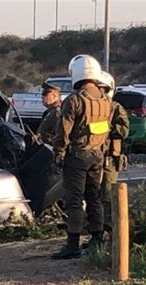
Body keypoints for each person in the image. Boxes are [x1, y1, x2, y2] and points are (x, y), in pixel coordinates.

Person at [52, 54, 112, 259]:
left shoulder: (74, 100)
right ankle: (97, 239)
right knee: (94, 197)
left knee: (74, 200)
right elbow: (105, 129)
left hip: (77, 156)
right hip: (97, 154)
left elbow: (63, 131)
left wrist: (58, 153)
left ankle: (72, 244)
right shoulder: (106, 100)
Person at [97, 71, 130, 234]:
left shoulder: (115, 108)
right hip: (93, 156)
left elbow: (124, 130)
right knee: (93, 195)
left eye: (102, 88)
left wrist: (104, 127)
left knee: (107, 195)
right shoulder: (92, 107)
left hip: (109, 157)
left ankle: (109, 229)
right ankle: (96, 230)